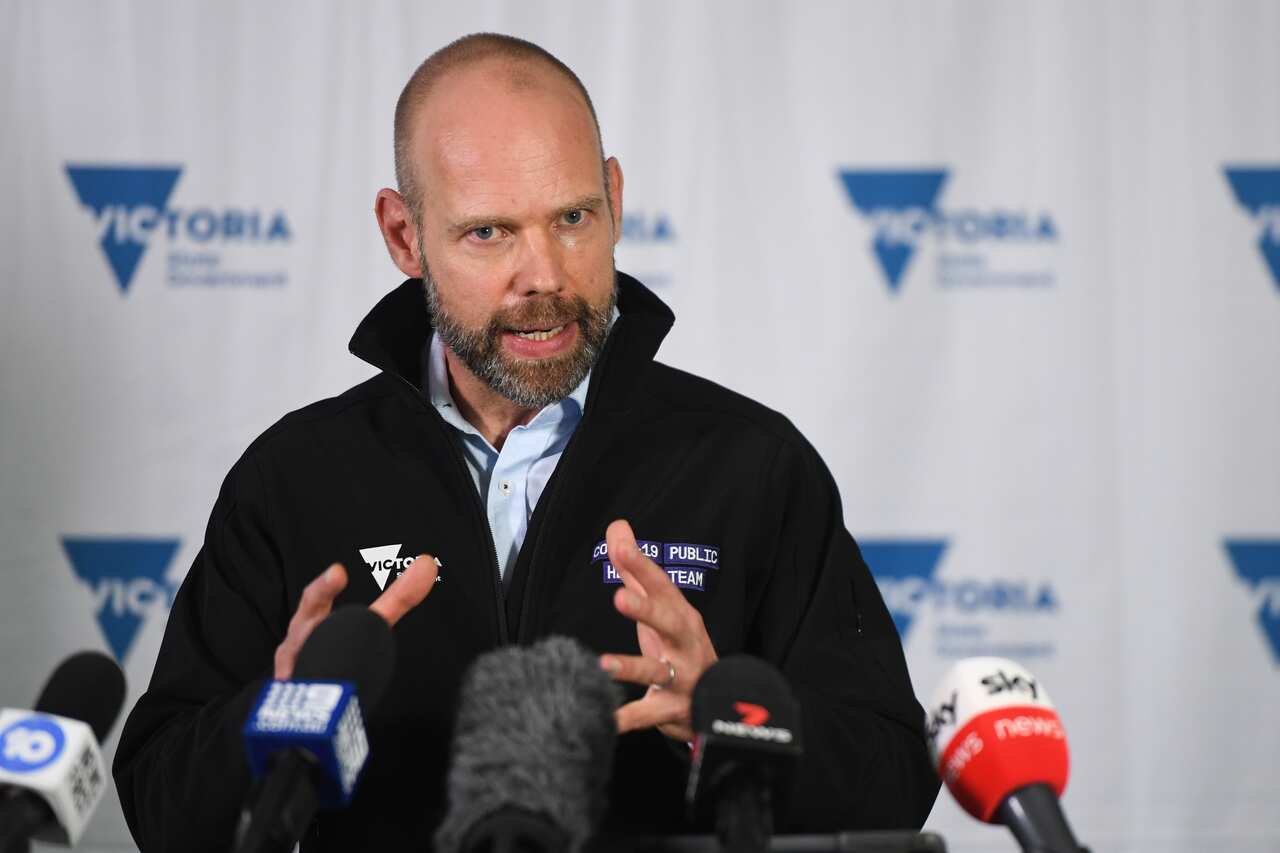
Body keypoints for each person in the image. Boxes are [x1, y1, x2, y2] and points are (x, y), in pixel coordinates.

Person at [113, 32, 939, 851]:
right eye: (489, 233)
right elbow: (158, 806)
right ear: (405, 235)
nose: (544, 275)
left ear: (614, 199)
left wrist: (728, 721)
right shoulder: (293, 477)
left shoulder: (753, 464)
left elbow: (893, 779)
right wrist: (273, 717)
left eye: (573, 217)